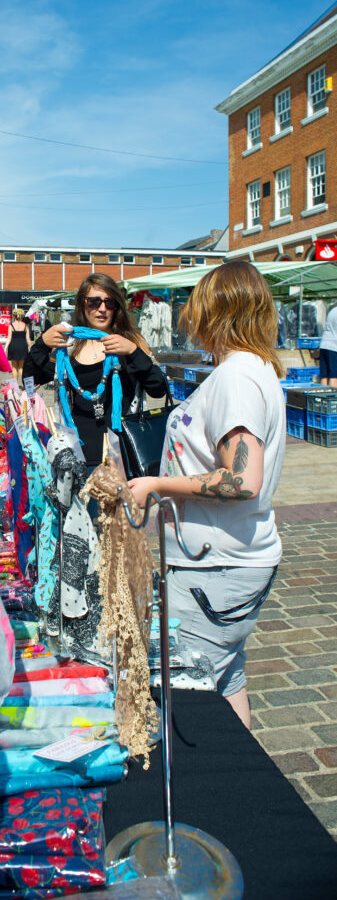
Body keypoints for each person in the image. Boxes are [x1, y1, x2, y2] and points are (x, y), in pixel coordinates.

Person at [127, 261, 286, 729]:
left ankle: (215, 793)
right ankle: (243, 780)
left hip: (216, 567)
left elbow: (241, 480)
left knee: (182, 690)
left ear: (217, 311)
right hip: (222, 562)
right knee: (227, 677)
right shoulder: (248, 369)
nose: (191, 321)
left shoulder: (238, 376)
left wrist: (157, 485)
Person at [24, 273, 167, 468]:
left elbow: (158, 388)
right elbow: (30, 380)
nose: (102, 309)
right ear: (83, 304)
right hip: (77, 453)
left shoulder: (130, 341)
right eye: (94, 302)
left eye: (110, 303)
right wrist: (42, 343)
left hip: (122, 454)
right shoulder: (69, 345)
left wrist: (133, 352)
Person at [5, 308, 33, 386]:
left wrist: (5, 348)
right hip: (23, 347)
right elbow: (28, 339)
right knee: (22, 368)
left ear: (14, 316)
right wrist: (30, 348)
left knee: (14, 368)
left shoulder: (11, 326)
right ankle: (25, 385)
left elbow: (9, 338)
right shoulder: (25, 326)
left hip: (13, 347)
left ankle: (14, 386)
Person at [319, 303, 337, 387]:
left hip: (324, 344)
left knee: (324, 376)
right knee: (334, 376)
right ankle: (333, 399)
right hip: (333, 347)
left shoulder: (332, 310)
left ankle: (322, 397)